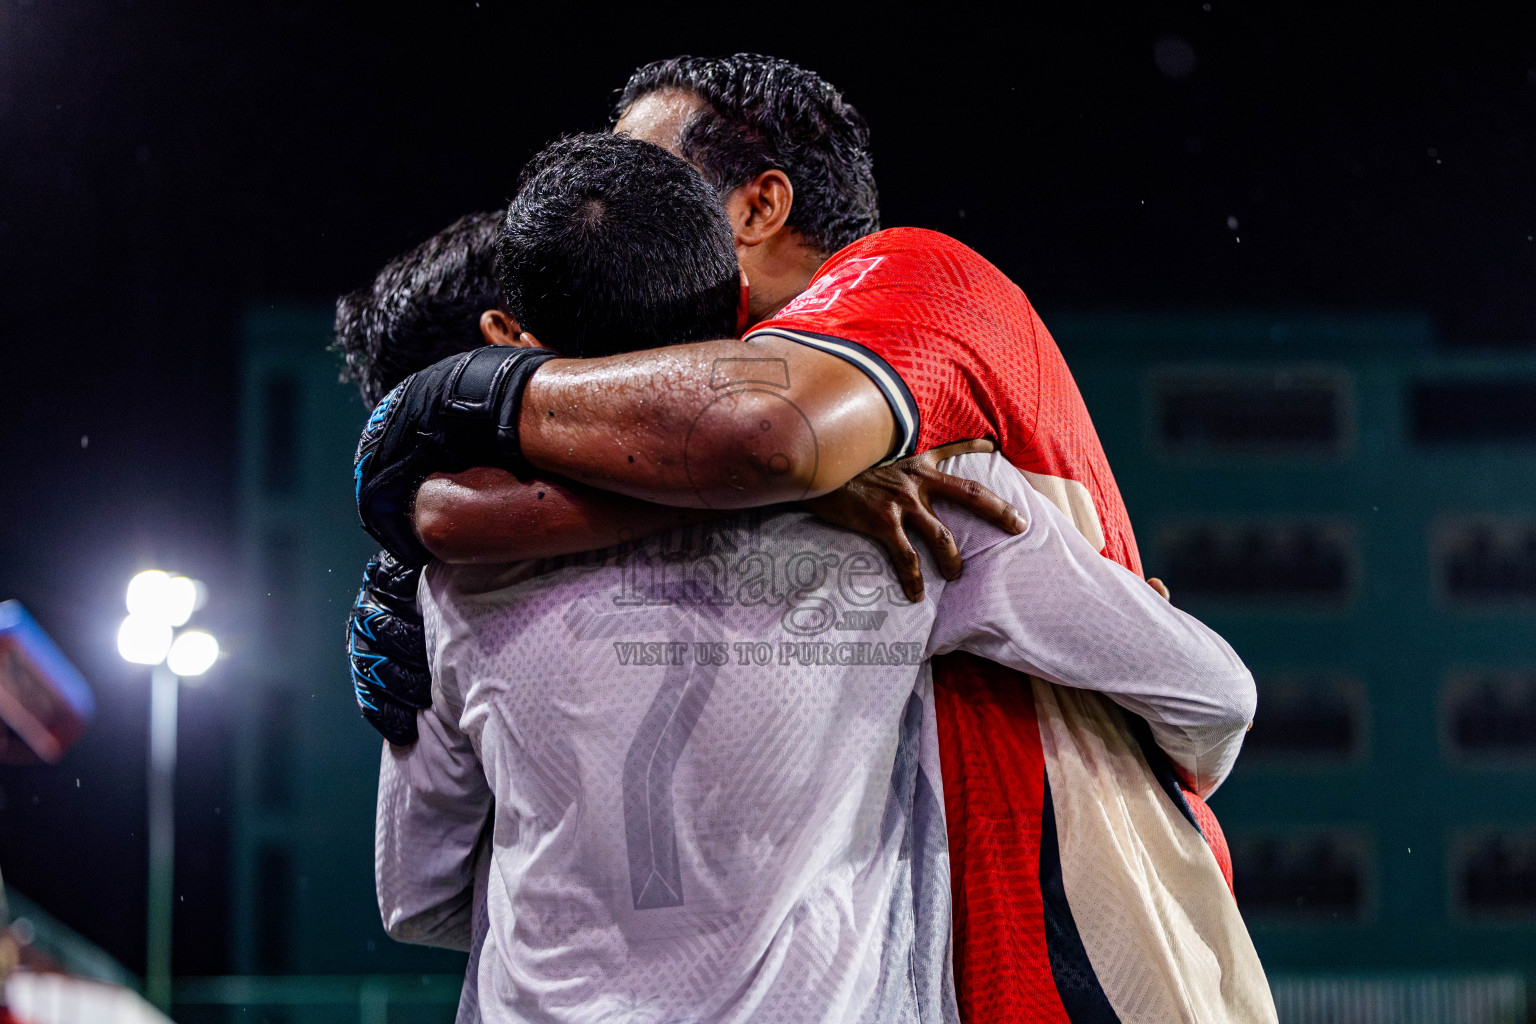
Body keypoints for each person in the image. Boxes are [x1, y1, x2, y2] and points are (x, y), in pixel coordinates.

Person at [354, 55, 1274, 1023]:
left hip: (1078, 941)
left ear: (760, 206)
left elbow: (770, 435)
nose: (622, 194)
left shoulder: (902, 279)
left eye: (647, 168)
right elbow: (1212, 693)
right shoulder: (885, 495)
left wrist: (445, 434)